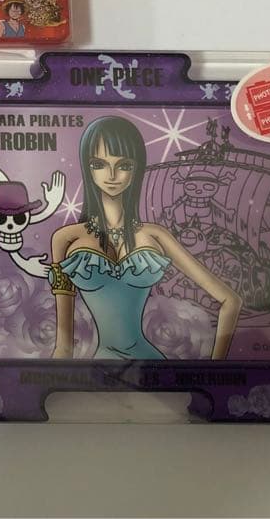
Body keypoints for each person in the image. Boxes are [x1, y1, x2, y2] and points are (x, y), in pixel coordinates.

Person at [49, 116, 242, 360]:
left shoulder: (155, 235)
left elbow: (230, 301)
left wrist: (214, 372)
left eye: (123, 165)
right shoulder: (65, 239)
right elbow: (64, 347)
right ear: (87, 168)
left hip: (153, 366)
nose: (112, 175)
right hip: (102, 366)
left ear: (136, 169)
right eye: (99, 164)